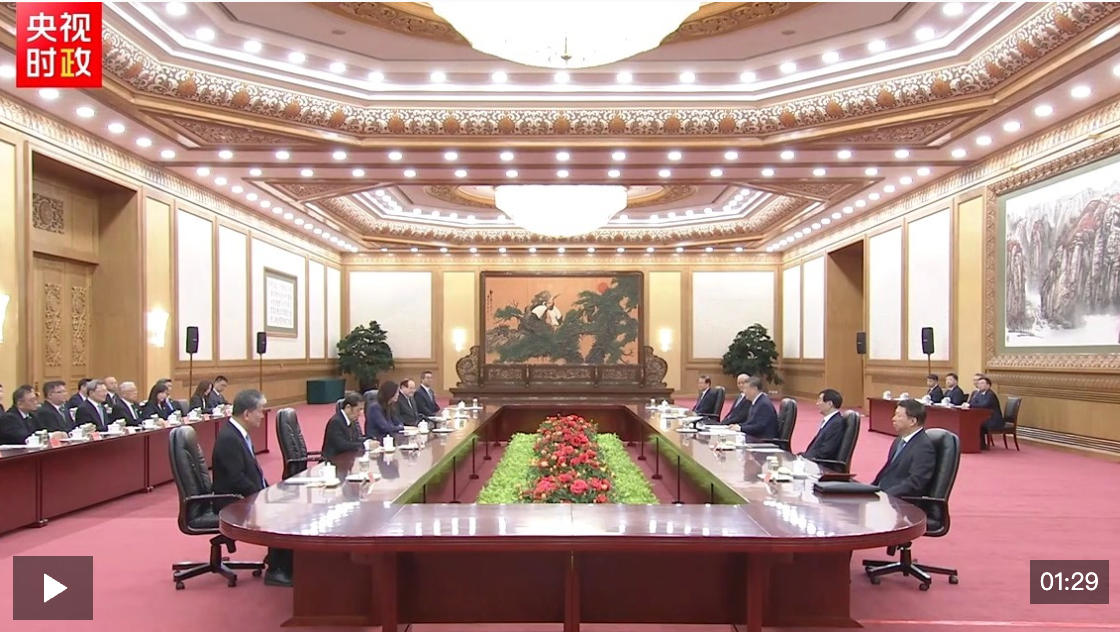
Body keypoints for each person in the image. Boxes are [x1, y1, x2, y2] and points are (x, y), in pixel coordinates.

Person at [211, 389, 293, 587]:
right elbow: (236, 478)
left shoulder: (239, 435)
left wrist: (269, 491)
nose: (262, 415)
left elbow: (250, 473)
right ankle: (277, 569)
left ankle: (280, 558)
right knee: (282, 512)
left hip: (244, 493)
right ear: (247, 414)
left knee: (287, 503)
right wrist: (263, 496)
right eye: (260, 411)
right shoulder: (230, 439)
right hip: (232, 500)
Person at [872, 399, 937, 497]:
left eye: (898, 416)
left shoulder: (924, 447)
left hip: (899, 500)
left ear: (912, 421)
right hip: (883, 493)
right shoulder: (898, 441)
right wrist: (870, 489)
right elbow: (887, 471)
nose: (893, 419)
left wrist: (886, 496)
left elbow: (915, 483)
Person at [803, 388, 845, 462]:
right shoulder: (831, 421)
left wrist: (806, 458)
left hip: (820, 464)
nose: (817, 404)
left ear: (829, 404)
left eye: (820, 400)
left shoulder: (836, 424)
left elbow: (826, 451)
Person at [321, 392, 367, 460]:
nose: (360, 413)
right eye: (358, 410)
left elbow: (355, 439)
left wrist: (368, 441)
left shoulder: (352, 420)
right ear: (348, 407)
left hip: (347, 459)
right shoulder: (336, 422)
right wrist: (365, 445)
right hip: (333, 461)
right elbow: (342, 445)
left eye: (362, 409)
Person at [970, 375, 1003, 451]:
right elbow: (972, 402)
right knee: (972, 422)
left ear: (988, 385)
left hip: (993, 419)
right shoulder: (978, 394)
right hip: (985, 418)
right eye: (979, 383)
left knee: (978, 423)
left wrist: (971, 405)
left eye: (982, 383)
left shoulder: (990, 394)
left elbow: (984, 405)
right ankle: (974, 443)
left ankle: (981, 445)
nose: (980, 385)